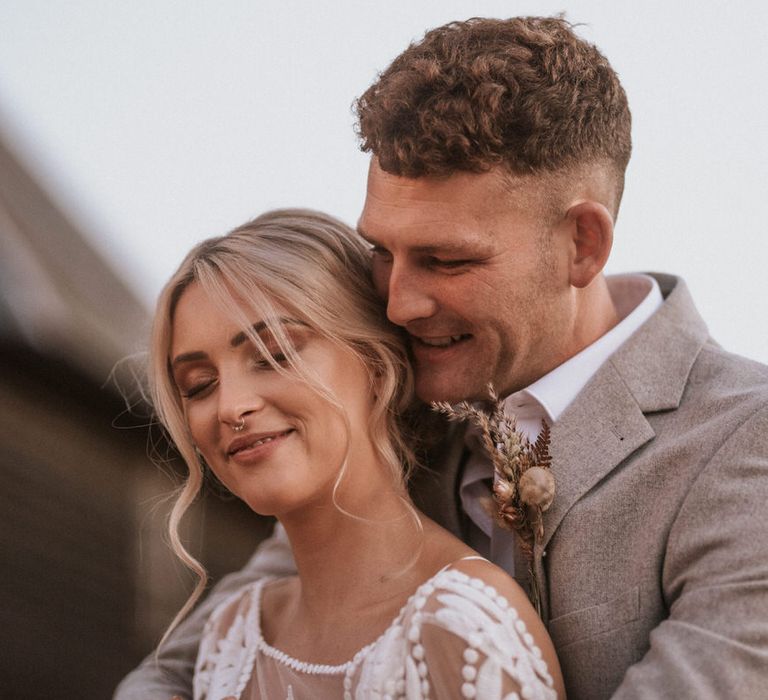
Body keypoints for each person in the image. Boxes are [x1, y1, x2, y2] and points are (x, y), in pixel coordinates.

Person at [116, 16, 768, 700]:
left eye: (444, 259)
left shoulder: (743, 447)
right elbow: (196, 666)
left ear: (581, 244)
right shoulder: (403, 417)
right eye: (382, 253)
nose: (398, 305)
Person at [145, 208, 564, 699]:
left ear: (376, 363)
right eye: (199, 385)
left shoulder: (461, 626)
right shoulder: (228, 639)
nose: (231, 407)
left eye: (276, 353)